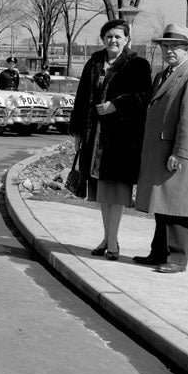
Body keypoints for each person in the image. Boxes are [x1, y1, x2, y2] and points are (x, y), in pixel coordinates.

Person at [69, 19, 151, 261]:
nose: (113, 40)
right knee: (103, 195)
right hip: (95, 139)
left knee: (115, 193)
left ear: (127, 39)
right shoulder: (94, 61)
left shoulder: (137, 64)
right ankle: (107, 238)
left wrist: (117, 105)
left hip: (121, 142)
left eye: (118, 36)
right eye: (109, 36)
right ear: (102, 38)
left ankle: (113, 241)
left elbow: (144, 97)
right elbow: (81, 98)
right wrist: (78, 133)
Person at [134, 24, 188, 274]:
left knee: (177, 206)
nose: (169, 50)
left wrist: (181, 152)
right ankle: (159, 252)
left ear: (187, 49)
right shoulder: (163, 75)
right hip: (160, 151)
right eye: (165, 46)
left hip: (176, 153)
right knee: (162, 204)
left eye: (175, 46)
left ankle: (177, 258)